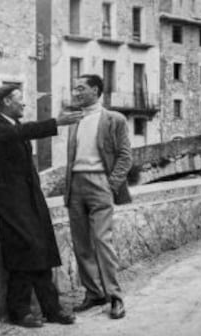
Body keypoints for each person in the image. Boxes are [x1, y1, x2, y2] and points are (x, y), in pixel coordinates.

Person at [0, 84, 82, 328]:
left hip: (28, 197)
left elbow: (20, 135)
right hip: (9, 200)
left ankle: (52, 309)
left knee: (42, 250)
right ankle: (20, 311)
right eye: (20, 99)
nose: (24, 103)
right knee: (26, 249)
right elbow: (16, 134)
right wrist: (55, 122)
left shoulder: (14, 125)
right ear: (6, 101)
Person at [65, 74, 132, 320]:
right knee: (81, 243)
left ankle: (115, 297)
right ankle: (93, 293)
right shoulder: (74, 120)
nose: (76, 92)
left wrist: (110, 184)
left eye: (81, 88)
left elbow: (125, 156)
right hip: (75, 185)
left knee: (103, 241)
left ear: (95, 90)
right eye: (74, 88)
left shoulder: (115, 119)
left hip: (100, 183)